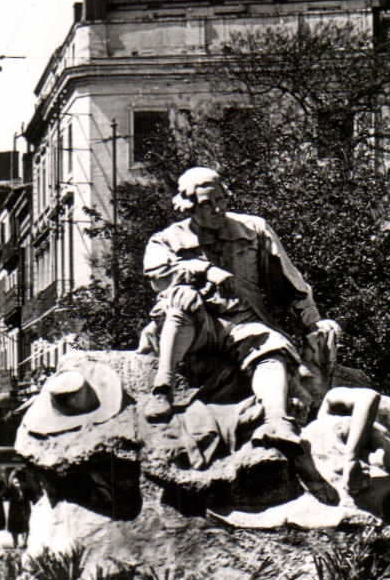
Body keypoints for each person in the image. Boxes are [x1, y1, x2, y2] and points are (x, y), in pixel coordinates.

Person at [139, 167, 341, 447]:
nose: (217, 209)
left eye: (221, 199)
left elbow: (289, 278)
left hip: (244, 321)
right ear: (189, 205)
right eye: (207, 204)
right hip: (197, 325)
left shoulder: (253, 229)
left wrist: (313, 321)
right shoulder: (168, 239)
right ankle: (162, 388)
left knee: (271, 348)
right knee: (181, 297)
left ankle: (276, 421)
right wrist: (202, 270)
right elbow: (157, 275)